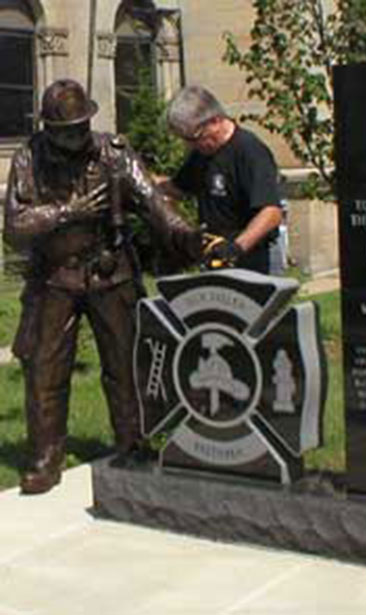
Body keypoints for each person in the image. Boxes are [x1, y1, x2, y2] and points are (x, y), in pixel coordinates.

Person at [3, 79, 203, 494]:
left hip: (111, 273)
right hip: (54, 277)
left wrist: (185, 234)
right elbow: (15, 228)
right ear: (50, 129)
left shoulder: (113, 153)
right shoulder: (28, 158)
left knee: (126, 364)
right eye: (67, 129)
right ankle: (45, 456)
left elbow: (154, 203)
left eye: (81, 126)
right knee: (44, 369)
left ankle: (133, 443)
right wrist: (66, 211)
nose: (76, 136)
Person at [158, 86, 283, 273]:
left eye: (195, 138)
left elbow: (271, 213)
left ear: (215, 121)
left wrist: (236, 248)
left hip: (251, 260)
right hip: (214, 258)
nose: (190, 145)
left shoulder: (250, 151)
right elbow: (177, 188)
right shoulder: (202, 154)